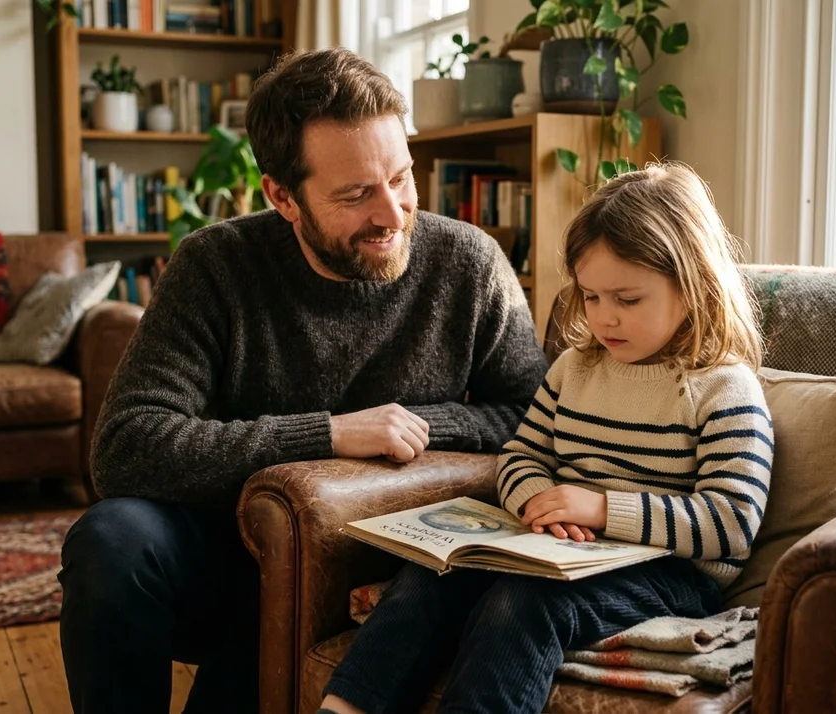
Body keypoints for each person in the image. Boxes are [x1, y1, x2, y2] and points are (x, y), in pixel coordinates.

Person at [57, 48, 548, 714]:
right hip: (234, 553)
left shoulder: (469, 264)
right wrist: (329, 435)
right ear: (282, 197)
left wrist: (413, 422)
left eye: (400, 177)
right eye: (356, 194)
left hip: (383, 557)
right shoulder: (214, 266)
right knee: (110, 541)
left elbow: (532, 414)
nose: (393, 213)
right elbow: (126, 446)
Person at [319, 162, 775, 714]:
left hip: (669, 574)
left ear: (692, 286)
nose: (605, 318)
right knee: (430, 577)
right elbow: (520, 456)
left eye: (627, 299)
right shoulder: (575, 369)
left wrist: (601, 509)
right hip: (562, 550)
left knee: (525, 601)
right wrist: (538, 500)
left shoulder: (724, 387)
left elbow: (732, 522)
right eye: (591, 297)